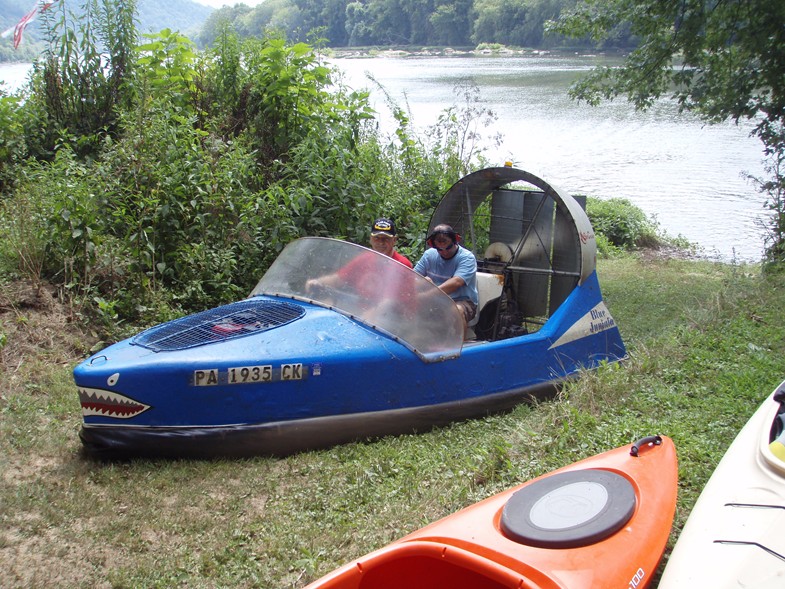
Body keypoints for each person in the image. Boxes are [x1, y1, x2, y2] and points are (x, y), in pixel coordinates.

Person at [414, 224, 479, 326]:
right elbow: (413, 277)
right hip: (434, 300)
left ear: (455, 241)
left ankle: (460, 341)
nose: (444, 252)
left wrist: (426, 295)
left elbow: (456, 282)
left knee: (456, 311)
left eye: (448, 247)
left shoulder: (467, 257)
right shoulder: (429, 255)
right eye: (439, 249)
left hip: (461, 301)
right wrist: (423, 282)